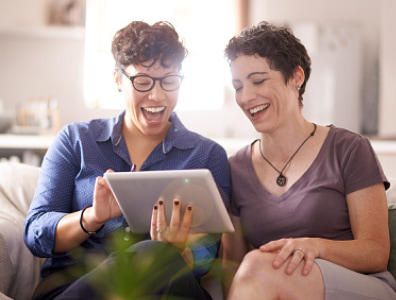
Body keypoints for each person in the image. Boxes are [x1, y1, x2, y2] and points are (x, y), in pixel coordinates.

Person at [24, 21, 231, 300]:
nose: (157, 96)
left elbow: (208, 255)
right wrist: (92, 218)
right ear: (118, 80)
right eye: (142, 81)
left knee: (154, 255)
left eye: (169, 81)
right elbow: (36, 232)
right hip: (77, 285)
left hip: (167, 291)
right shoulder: (76, 140)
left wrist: (177, 251)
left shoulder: (207, 156)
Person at [221, 21, 396, 300]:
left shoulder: (349, 149)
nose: (246, 97)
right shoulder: (236, 168)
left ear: (296, 77)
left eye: (258, 81)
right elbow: (232, 266)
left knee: (259, 267)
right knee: (255, 267)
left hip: (361, 285)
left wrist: (315, 247)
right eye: (238, 86)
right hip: (272, 285)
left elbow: (376, 253)